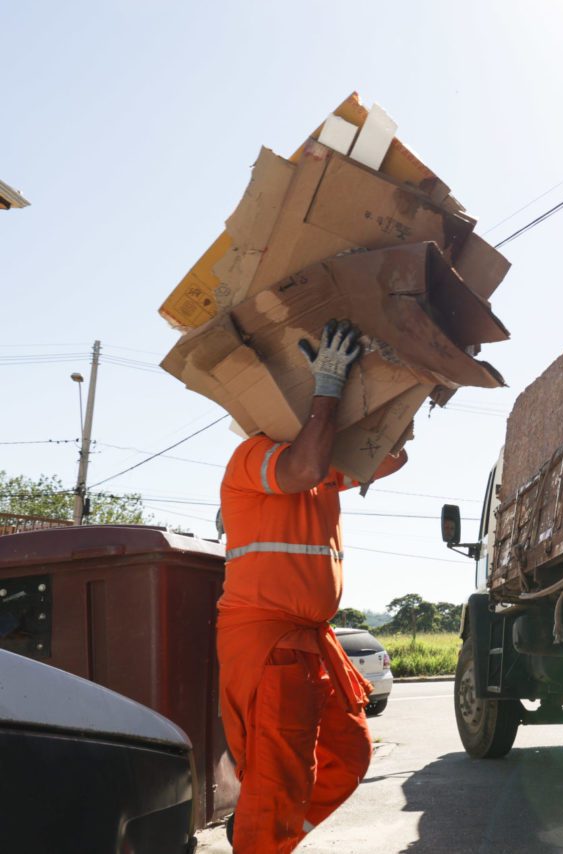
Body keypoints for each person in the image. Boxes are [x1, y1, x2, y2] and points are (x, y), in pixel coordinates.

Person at [216, 319, 408, 852]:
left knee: (350, 753)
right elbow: (301, 469)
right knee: (277, 783)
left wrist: (403, 398)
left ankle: (265, 837)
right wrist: (326, 389)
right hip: (269, 642)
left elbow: (388, 457)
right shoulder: (253, 457)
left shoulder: (322, 465)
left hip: (307, 641)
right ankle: (262, 838)